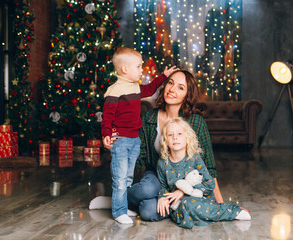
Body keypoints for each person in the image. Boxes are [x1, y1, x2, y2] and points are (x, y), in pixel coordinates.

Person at [127, 69, 224, 221]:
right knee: (147, 188)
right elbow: (140, 157)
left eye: (180, 87)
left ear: (187, 95)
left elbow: (209, 166)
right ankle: (118, 201)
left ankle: (166, 204)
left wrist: (220, 205)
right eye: (170, 83)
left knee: (147, 212)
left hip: (184, 182)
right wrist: (119, 146)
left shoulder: (195, 122)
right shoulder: (149, 117)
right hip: (156, 177)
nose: (172, 89)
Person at [101, 47, 178, 224]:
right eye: (138, 66)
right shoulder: (114, 91)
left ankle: (123, 205)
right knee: (120, 178)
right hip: (120, 140)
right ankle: (118, 211)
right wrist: (106, 133)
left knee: (128, 176)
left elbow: (150, 89)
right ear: (125, 69)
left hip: (135, 139)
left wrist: (164, 76)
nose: (141, 70)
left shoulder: (135, 87)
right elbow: (107, 116)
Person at [156, 117, 251, 229]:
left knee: (189, 203)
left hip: (200, 199)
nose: (175, 137)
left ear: (188, 138)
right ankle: (198, 215)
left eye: (180, 134)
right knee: (182, 207)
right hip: (178, 206)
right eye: (170, 135)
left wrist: (182, 191)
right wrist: (162, 198)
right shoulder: (162, 163)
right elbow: (163, 186)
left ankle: (231, 210)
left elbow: (209, 184)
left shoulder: (194, 158)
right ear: (165, 140)